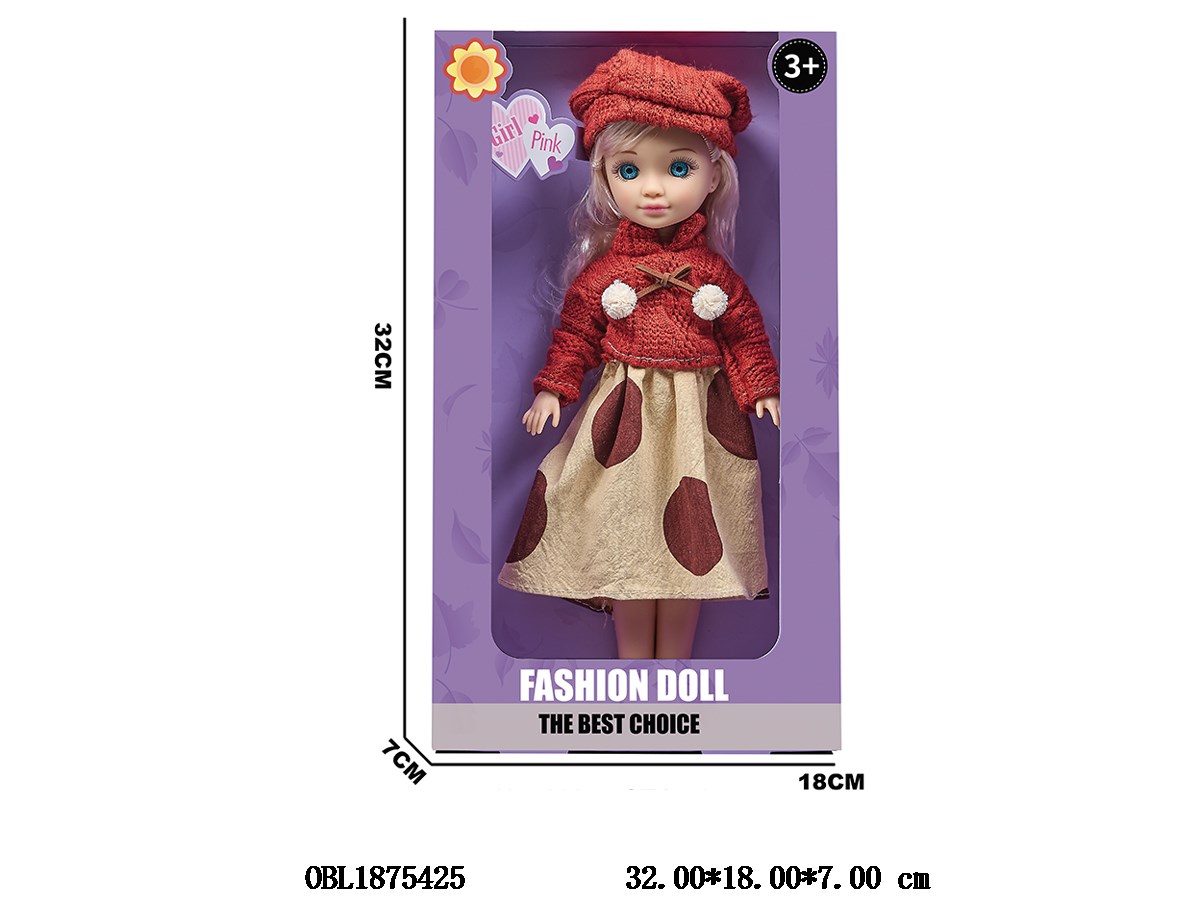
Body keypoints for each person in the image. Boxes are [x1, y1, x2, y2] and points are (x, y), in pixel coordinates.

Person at [497, 49, 780, 660]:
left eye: (678, 167)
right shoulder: (605, 275)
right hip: (622, 418)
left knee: (691, 540)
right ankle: (633, 669)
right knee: (626, 538)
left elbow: (744, 334)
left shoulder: (714, 275)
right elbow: (575, 335)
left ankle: (671, 669)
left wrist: (762, 386)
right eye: (629, 170)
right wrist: (553, 388)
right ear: (605, 179)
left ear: (713, 176)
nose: (653, 188)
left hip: (701, 423)